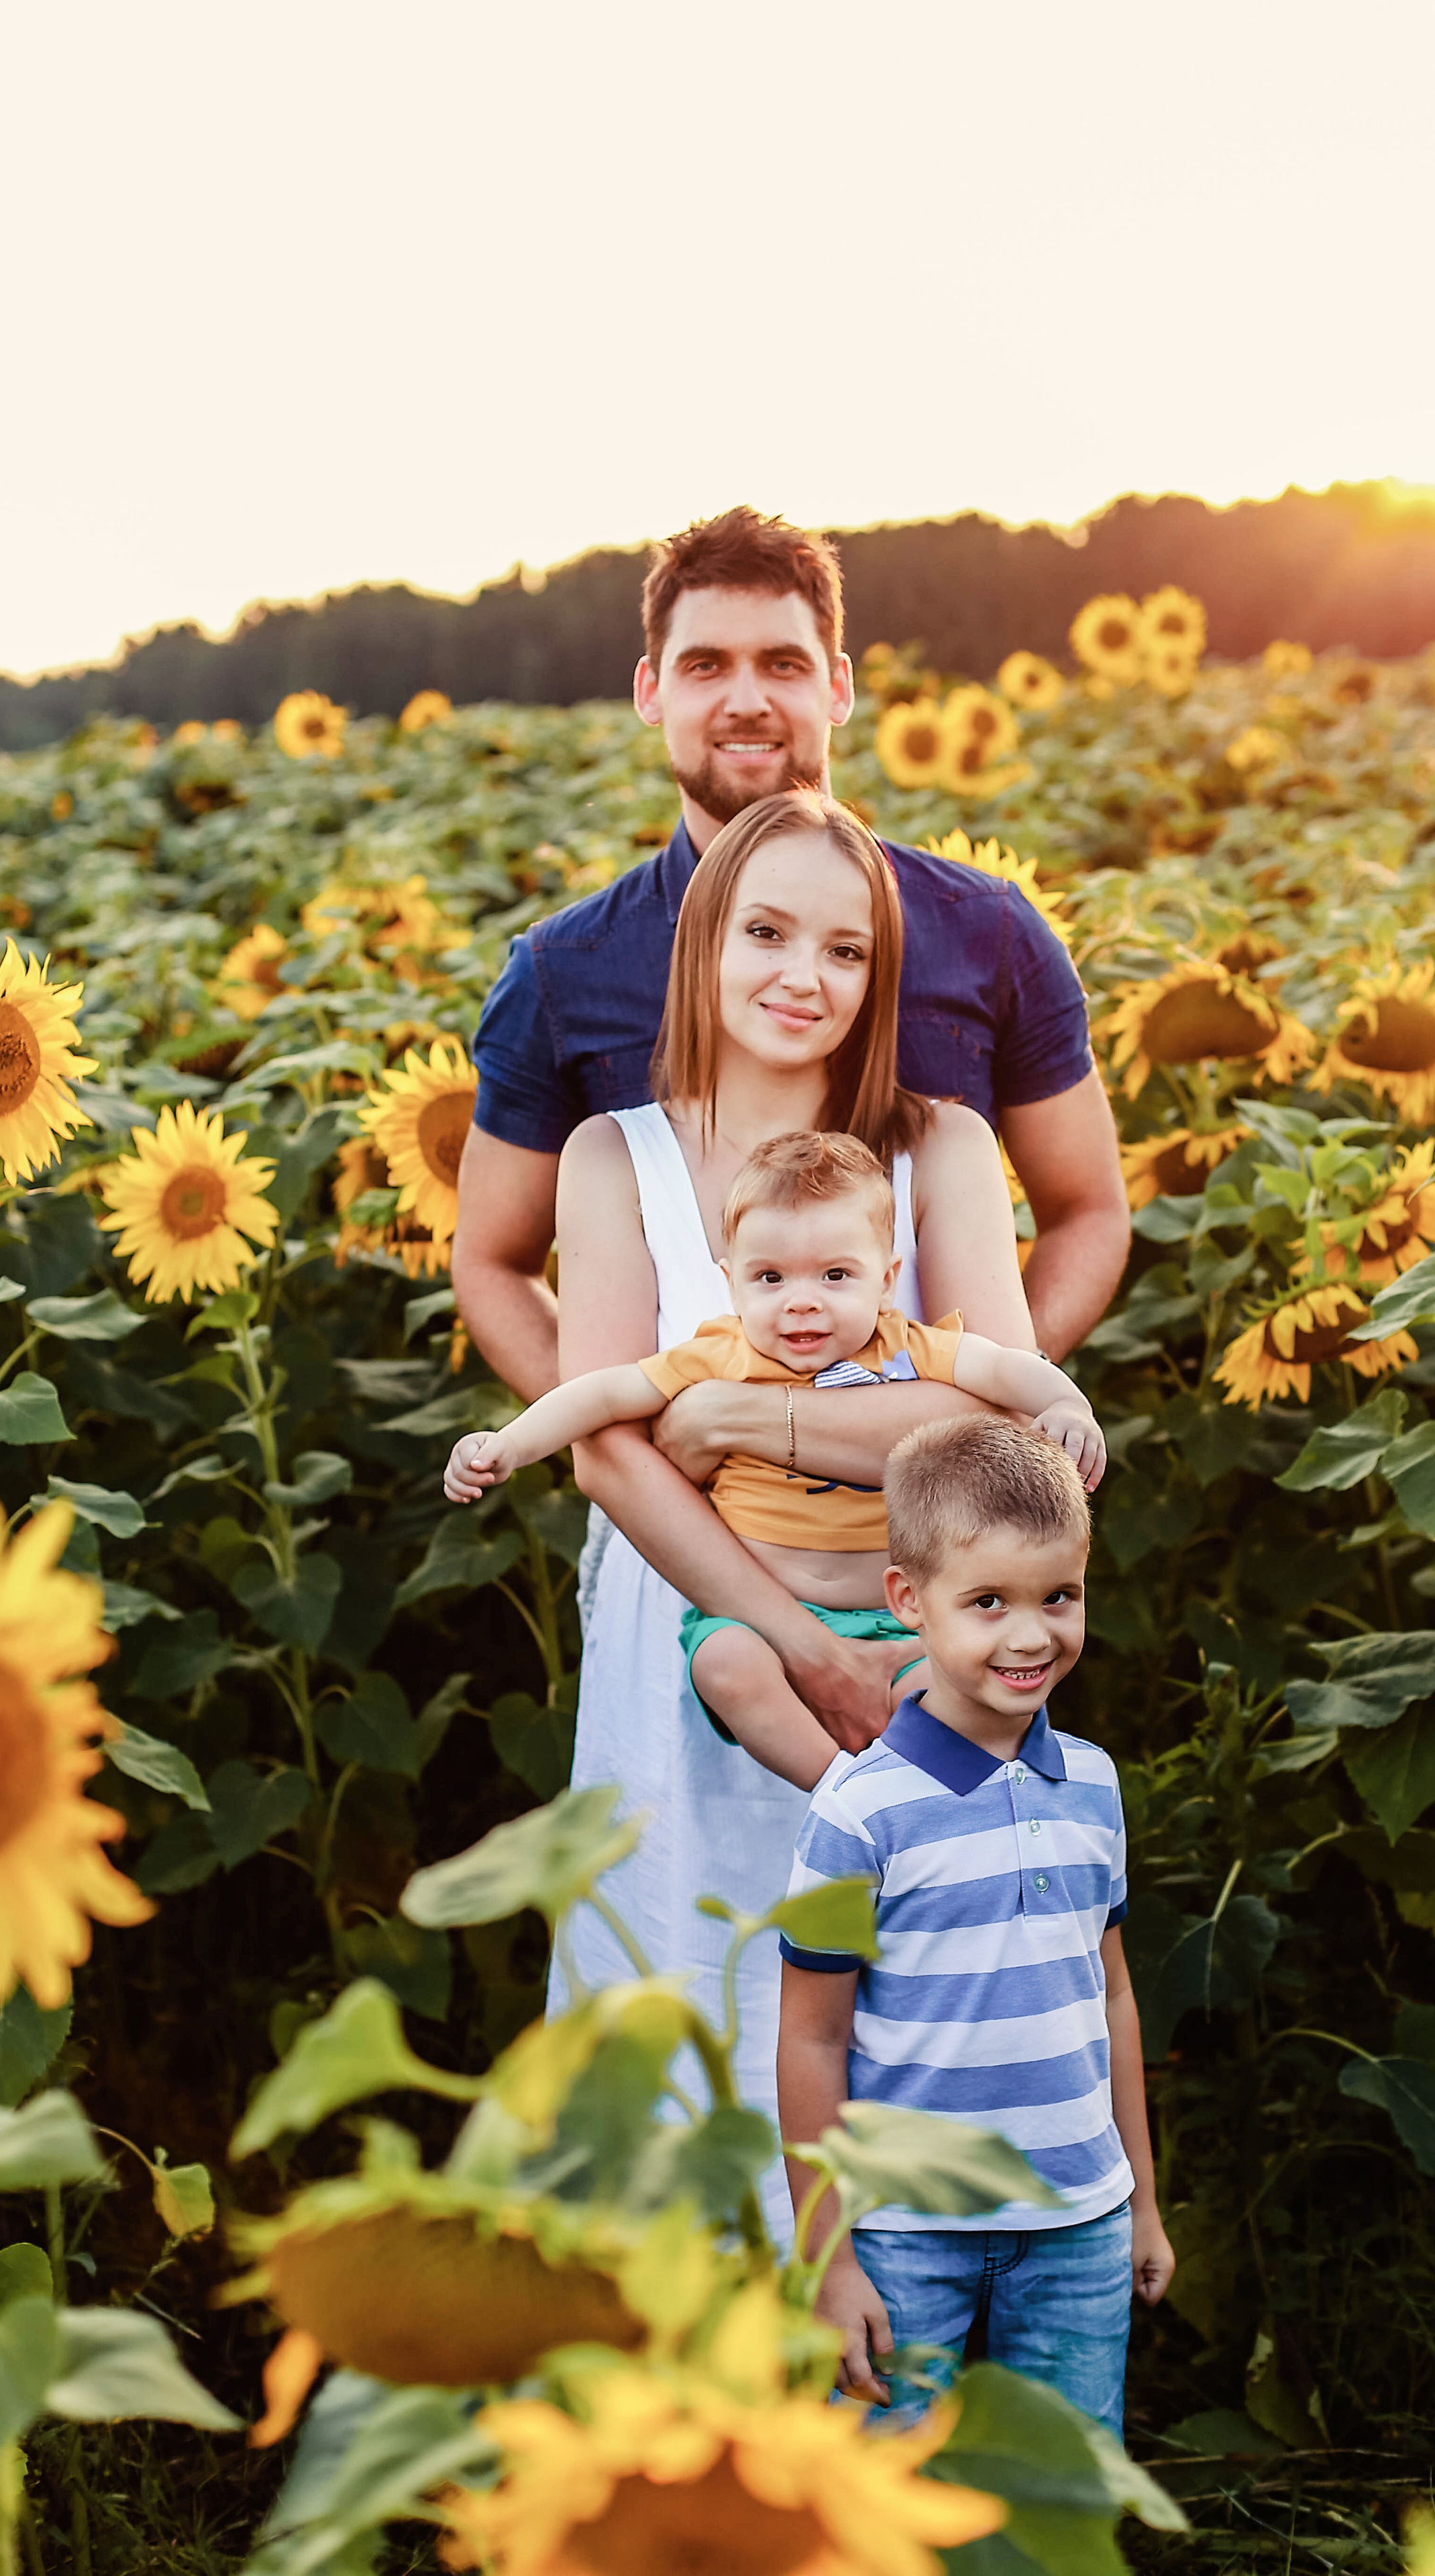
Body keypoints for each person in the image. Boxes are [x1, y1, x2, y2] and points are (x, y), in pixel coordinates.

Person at [539, 788, 1044, 2230]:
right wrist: (790, 1642)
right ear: (704, 940)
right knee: (689, 1977)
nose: (798, 976)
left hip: (906, 1632)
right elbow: (610, 1456)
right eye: (764, 931)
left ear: (878, 977)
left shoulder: (935, 1147)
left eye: (842, 949)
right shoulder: (609, 1157)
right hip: (692, 1624)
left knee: (894, 1995)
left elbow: (994, 1417)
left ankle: (888, 2387)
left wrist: (751, 1418)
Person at [454, 510, 1128, 1517]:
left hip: (943, 1516)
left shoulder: (985, 930)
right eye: (704, 666)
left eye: (781, 662)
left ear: (839, 686)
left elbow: (1088, 1208)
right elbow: (492, 1260)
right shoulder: (567, 970)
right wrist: (634, 1436)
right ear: (651, 691)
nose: (745, 700)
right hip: (678, 1533)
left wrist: (973, 1382)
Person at [443, 1130, 1106, 1789]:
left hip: (895, 1617)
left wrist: (1067, 1408)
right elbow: (603, 1393)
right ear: (731, 1283)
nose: (801, 1300)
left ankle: (940, 1811)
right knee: (724, 1665)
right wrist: (510, 1444)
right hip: (758, 1612)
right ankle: (840, 1796)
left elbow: (1005, 1370)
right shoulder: (721, 1356)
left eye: (835, 1275)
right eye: (770, 1277)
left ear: (886, 1281)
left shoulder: (904, 1348)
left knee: (956, 1695)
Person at [776, 1415, 1174, 2439]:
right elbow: (811, 2039)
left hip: (1079, 2223)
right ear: (908, 1600)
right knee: (885, 2504)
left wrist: (1139, 2197)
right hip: (908, 2236)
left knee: (1060, 2501)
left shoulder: (1094, 1784)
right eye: (988, 1602)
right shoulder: (859, 1812)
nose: (1031, 1635)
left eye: (1060, 1598)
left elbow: (1112, 1994)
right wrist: (829, 2260)